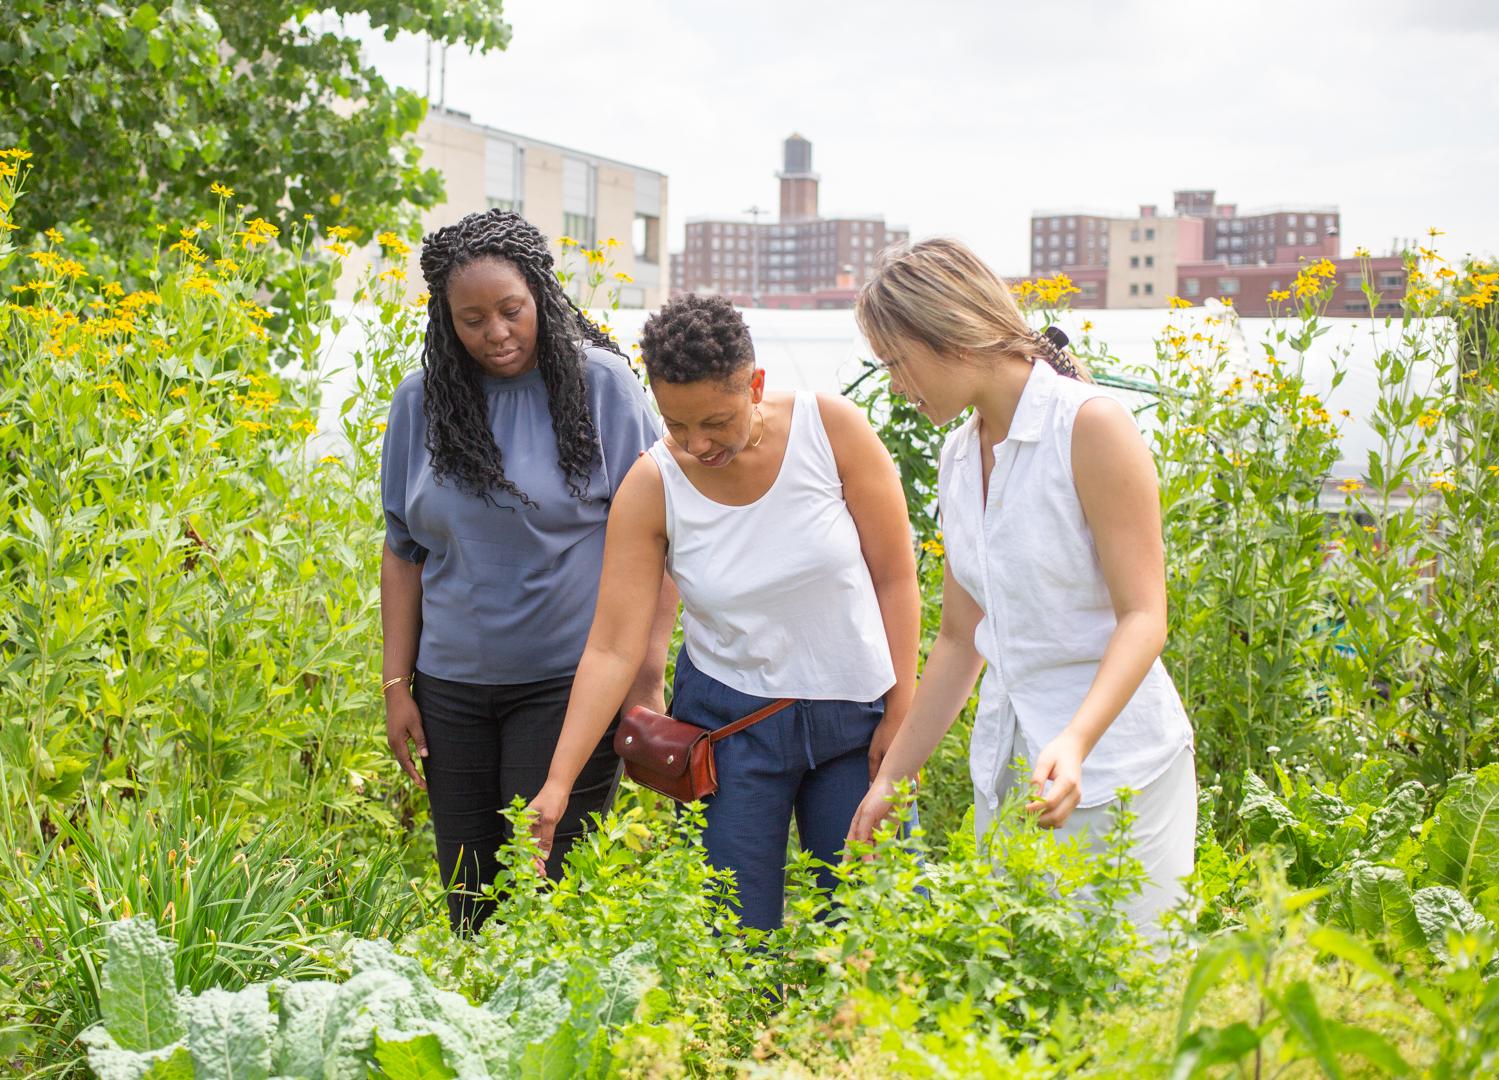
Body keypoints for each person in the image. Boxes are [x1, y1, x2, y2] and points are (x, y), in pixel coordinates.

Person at [529, 294, 921, 931]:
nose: (697, 443)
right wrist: (557, 783)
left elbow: (896, 579)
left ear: (756, 384)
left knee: (876, 924)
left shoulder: (833, 431)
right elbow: (610, 648)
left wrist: (902, 712)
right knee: (734, 941)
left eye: (715, 420)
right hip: (733, 735)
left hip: (856, 719)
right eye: (676, 424)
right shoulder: (652, 484)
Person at [847, 237, 1197, 937]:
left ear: (949, 335)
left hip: (1118, 770)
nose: (893, 386)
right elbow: (958, 638)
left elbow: (1144, 617)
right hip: (1011, 777)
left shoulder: (1090, 427)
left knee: (1133, 994)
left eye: (895, 363)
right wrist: (894, 778)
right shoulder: (957, 452)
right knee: (1030, 1010)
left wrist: (1076, 740)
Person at [380, 210, 674, 933]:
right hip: (449, 693)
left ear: (540, 294)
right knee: (471, 906)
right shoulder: (420, 405)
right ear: (446, 322)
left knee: (546, 905)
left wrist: (646, 672)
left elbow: (662, 539)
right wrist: (395, 686)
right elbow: (401, 551)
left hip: (569, 689)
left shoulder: (602, 387)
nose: (497, 333)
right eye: (471, 319)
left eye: (511, 311)